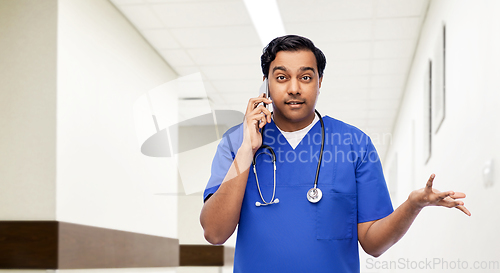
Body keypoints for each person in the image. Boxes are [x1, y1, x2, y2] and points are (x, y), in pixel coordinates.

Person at [200, 35, 470, 272]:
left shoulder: (355, 144)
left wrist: (413, 205)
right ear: (265, 84)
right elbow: (214, 232)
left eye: (306, 77)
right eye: (281, 77)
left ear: (319, 82)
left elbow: (374, 244)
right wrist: (247, 149)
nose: (294, 88)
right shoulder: (236, 142)